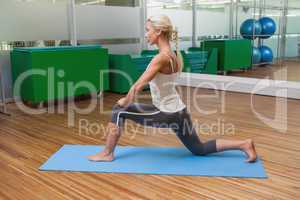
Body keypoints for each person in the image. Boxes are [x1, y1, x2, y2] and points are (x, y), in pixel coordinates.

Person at [87, 15, 257, 163]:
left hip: (166, 112)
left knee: (119, 110)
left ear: (159, 31)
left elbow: (139, 84)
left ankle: (107, 153)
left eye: (148, 30)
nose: (146, 34)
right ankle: (243, 144)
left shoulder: (161, 58)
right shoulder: (174, 54)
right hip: (179, 111)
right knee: (199, 149)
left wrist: (127, 100)